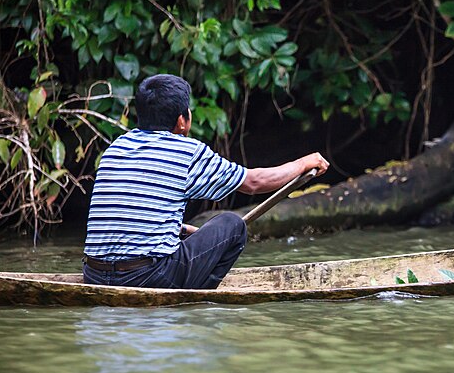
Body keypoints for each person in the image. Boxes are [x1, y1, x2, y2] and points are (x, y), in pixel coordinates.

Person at [83, 74, 329, 289]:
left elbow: (131, 214)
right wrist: (303, 164)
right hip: (148, 277)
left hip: (93, 275)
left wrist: (184, 230)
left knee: (198, 231)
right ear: (182, 120)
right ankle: (195, 295)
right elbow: (254, 182)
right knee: (232, 224)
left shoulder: (116, 148)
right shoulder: (185, 151)